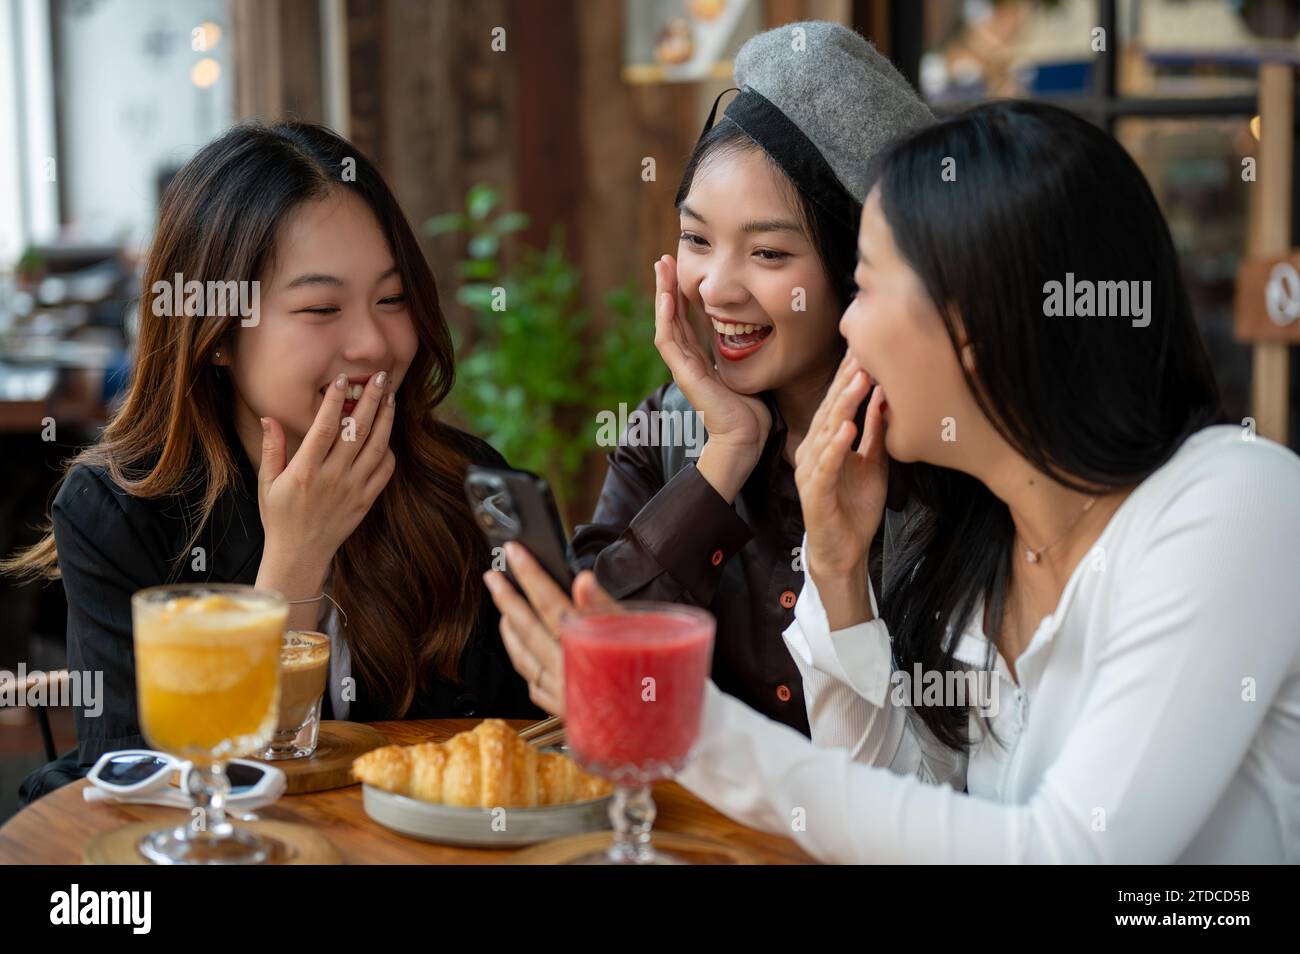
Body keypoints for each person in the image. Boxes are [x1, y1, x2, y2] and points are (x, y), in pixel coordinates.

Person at [487, 101, 1300, 863]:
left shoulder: (1234, 504)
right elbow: (910, 816)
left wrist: (672, 719)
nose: (844, 321)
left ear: (975, 324)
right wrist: (840, 578)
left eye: (867, 284)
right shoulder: (993, 554)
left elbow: (1070, 854)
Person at [5, 121, 542, 804]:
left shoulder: (466, 486)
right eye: (321, 306)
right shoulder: (118, 512)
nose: (373, 343)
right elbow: (150, 794)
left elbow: (522, 750)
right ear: (217, 334)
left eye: (392, 298)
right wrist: (294, 560)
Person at [559, 21, 931, 731]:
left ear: (858, 270)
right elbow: (590, 656)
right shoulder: (673, 427)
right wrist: (722, 458)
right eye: (696, 240)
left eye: (766, 254)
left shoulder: (932, 451)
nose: (715, 289)